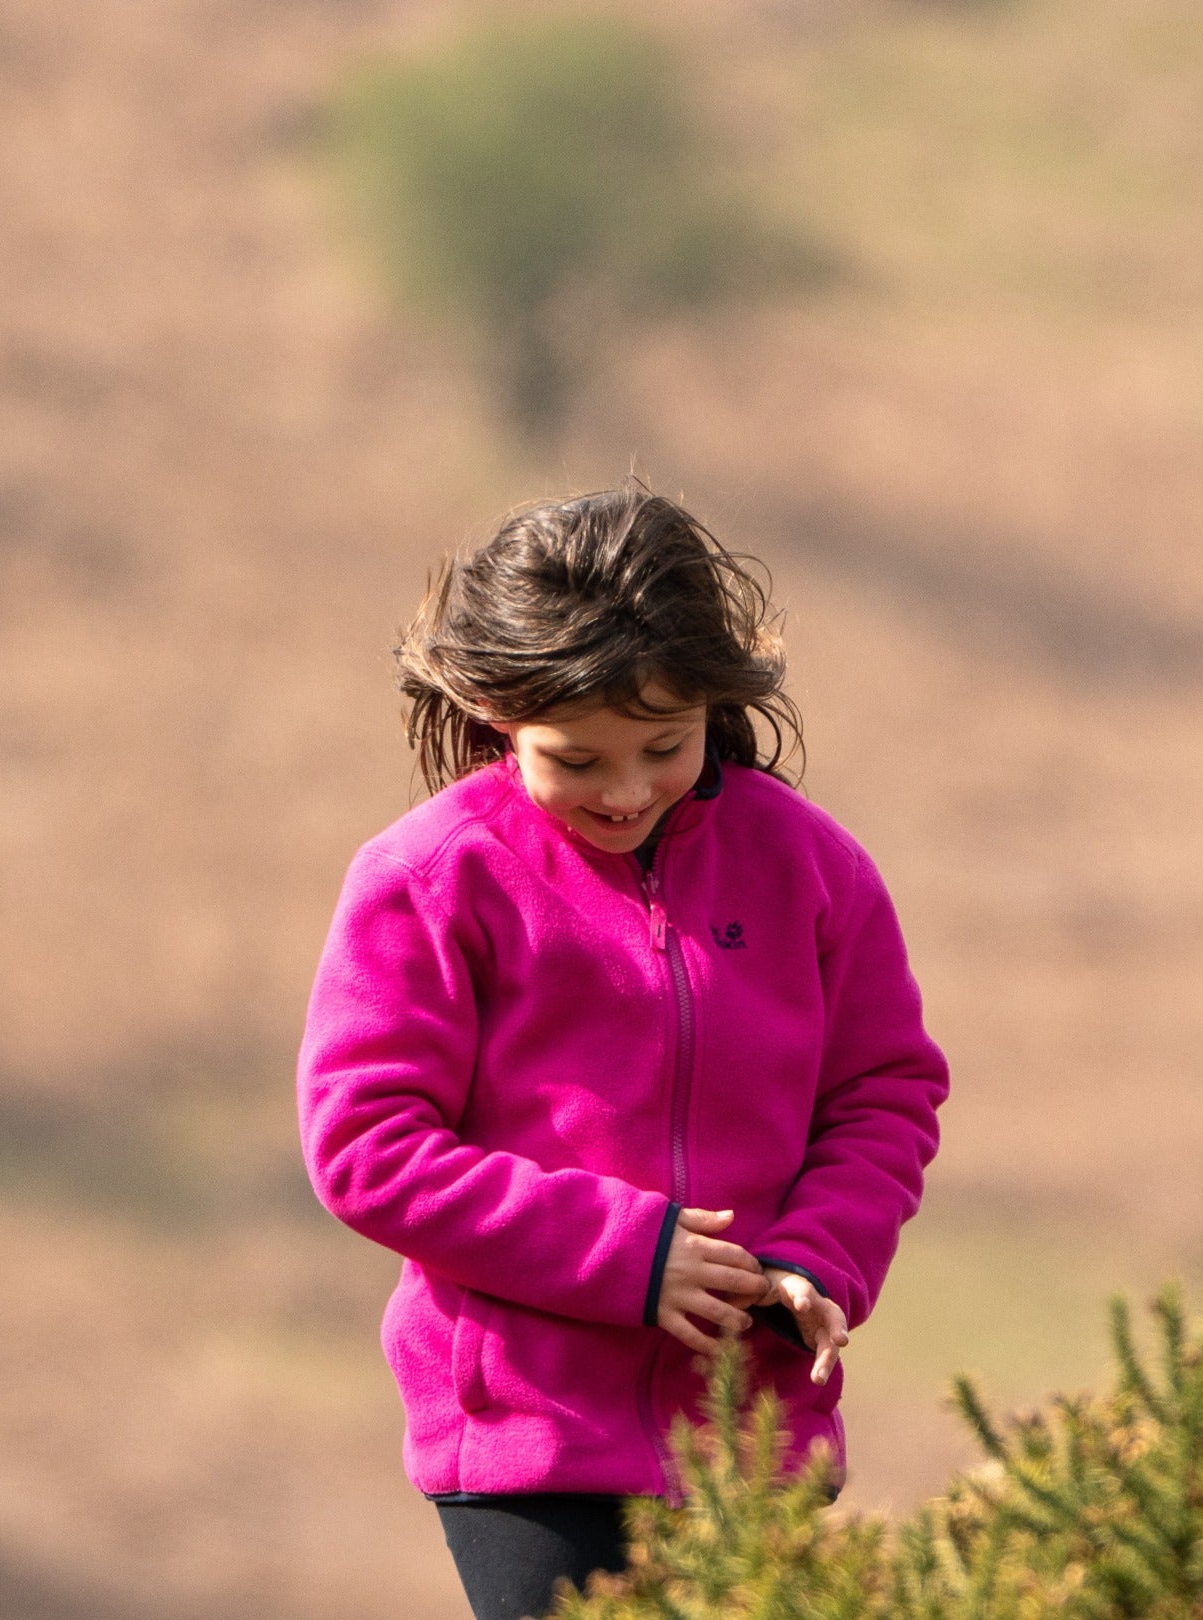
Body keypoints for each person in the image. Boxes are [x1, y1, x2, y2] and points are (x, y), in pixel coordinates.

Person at [297, 485, 949, 1620]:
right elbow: (366, 1144)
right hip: (529, 1441)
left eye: (664, 746)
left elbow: (885, 1095)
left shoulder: (812, 867)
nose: (629, 790)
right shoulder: (428, 879)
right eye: (577, 760)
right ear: (498, 712)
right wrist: (628, 1257)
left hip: (757, 1431)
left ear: (716, 703)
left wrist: (819, 1258)